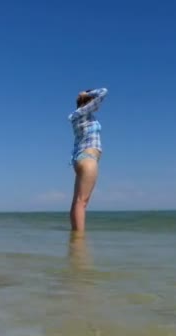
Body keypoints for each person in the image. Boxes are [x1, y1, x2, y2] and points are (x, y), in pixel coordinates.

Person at [67, 87, 108, 234]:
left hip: (81, 158)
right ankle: (79, 239)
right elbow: (104, 91)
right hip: (88, 159)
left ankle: (75, 236)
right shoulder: (82, 113)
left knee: (78, 202)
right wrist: (87, 93)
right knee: (82, 202)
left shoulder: (79, 117)